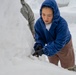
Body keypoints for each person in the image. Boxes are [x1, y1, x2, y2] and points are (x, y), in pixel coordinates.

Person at [33, 0, 75, 70]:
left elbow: (59, 43)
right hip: (50, 46)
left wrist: (44, 50)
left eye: (49, 15)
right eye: (43, 14)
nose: (46, 18)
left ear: (54, 14)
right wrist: (39, 45)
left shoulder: (62, 24)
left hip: (64, 47)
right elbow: (39, 37)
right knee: (52, 67)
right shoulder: (39, 23)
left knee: (69, 68)